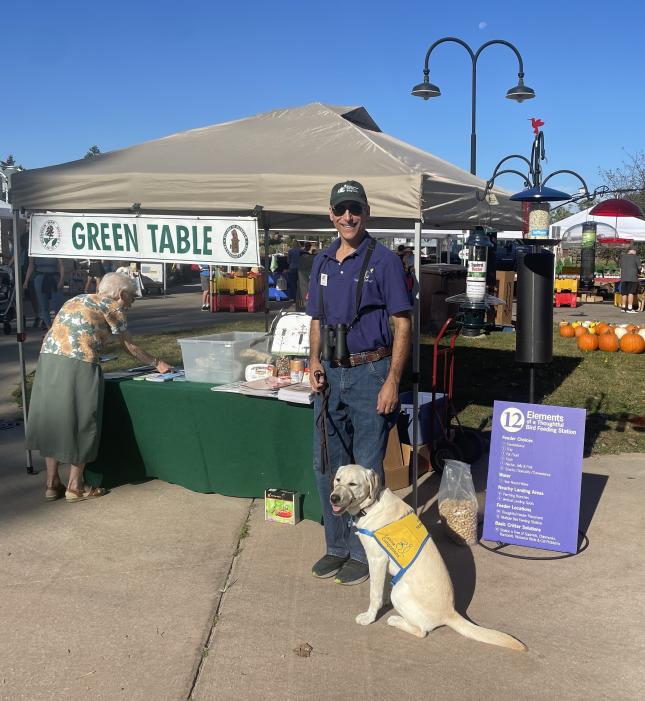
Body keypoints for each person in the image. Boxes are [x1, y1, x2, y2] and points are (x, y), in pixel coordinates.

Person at [306, 180, 412, 585]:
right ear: (331, 215)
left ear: (365, 212)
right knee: (328, 465)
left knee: (366, 470)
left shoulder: (383, 260)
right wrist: (313, 361)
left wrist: (392, 381)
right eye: (341, 210)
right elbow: (316, 318)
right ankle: (336, 547)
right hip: (330, 374)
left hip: (371, 373)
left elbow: (403, 322)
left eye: (355, 209)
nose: (348, 216)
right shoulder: (322, 261)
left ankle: (364, 552)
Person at [26, 272, 172, 502]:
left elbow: (49, 334)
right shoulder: (113, 306)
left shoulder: (75, 299)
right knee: (83, 420)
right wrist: (157, 363)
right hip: (80, 363)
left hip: (49, 360)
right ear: (121, 294)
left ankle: (52, 483)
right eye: (132, 297)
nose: (132, 302)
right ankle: (76, 485)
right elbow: (129, 346)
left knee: (52, 420)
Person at [23, 256, 65, 330]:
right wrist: (26, 280)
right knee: (43, 305)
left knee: (57, 306)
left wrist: (62, 280)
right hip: (40, 277)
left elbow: (61, 265)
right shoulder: (34, 248)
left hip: (54, 277)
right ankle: (49, 329)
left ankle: (58, 328)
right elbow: (31, 265)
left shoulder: (55, 248)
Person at [619, 247, 641, 313]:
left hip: (623, 278)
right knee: (630, 293)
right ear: (632, 250)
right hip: (632, 278)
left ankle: (623, 308)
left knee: (624, 293)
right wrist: (641, 270)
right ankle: (630, 308)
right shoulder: (636, 257)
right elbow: (640, 268)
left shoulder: (622, 257)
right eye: (635, 251)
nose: (636, 252)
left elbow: (621, 268)